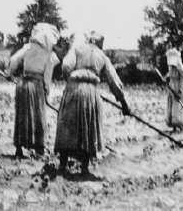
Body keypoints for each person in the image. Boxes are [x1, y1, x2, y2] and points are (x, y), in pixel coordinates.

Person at [54, 31, 130, 176]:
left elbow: (65, 67)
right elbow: (113, 81)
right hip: (90, 92)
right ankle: (84, 167)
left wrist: (71, 80)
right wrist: (124, 104)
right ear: (99, 43)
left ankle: (62, 165)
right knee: (88, 127)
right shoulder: (102, 56)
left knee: (67, 124)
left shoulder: (76, 49)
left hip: (73, 88)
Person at [7, 22, 60, 158]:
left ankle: (19, 148)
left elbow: (13, 60)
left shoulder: (27, 47)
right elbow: (47, 76)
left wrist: (10, 73)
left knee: (22, 116)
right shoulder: (49, 55)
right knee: (38, 116)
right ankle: (39, 149)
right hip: (36, 86)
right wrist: (47, 91)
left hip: (23, 84)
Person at [165, 49, 183, 132]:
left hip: (178, 89)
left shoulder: (181, 69)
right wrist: (166, 79)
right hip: (171, 89)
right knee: (171, 107)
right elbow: (169, 76)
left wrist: (180, 91)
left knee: (178, 108)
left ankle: (181, 126)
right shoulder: (171, 68)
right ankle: (173, 126)